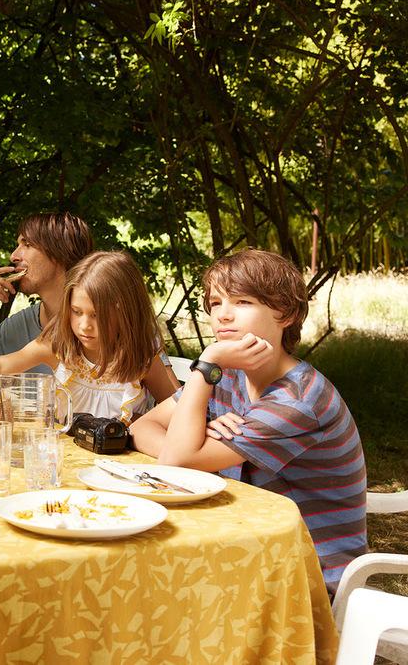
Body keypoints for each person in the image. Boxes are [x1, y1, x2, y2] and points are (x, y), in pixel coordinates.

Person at [131, 249, 367, 595]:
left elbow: (173, 463)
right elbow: (141, 427)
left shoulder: (298, 400)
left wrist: (207, 363)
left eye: (241, 302)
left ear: (285, 312)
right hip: (247, 547)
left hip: (307, 575)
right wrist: (195, 437)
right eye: (214, 303)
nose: (222, 316)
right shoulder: (229, 377)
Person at [0, 251, 178, 424]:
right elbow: (0, 365)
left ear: (126, 312)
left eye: (97, 315)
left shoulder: (140, 358)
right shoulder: (61, 345)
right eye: (77, 312)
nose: (84, 325)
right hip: (67, 461)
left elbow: (178, 408)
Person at [0, 211, 94, 375]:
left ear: (61, 252)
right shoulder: (14, 329)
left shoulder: (101, 325)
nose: (13, 256)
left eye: (27, 244)